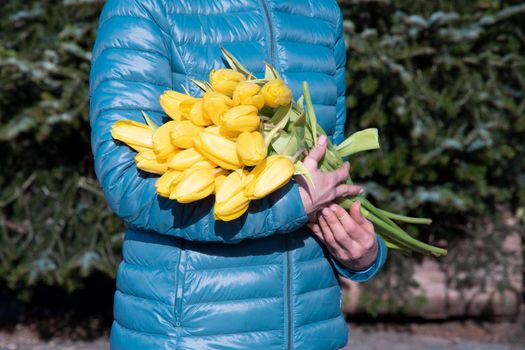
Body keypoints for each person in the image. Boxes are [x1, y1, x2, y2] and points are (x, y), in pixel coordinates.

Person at [89, 1, 387, 349]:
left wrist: (361, 251)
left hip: (312, 331)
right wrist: (290, 205)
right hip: (193, 335)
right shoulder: (146, 7)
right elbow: (126, 181)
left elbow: (327, 166)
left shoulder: (318, 11)